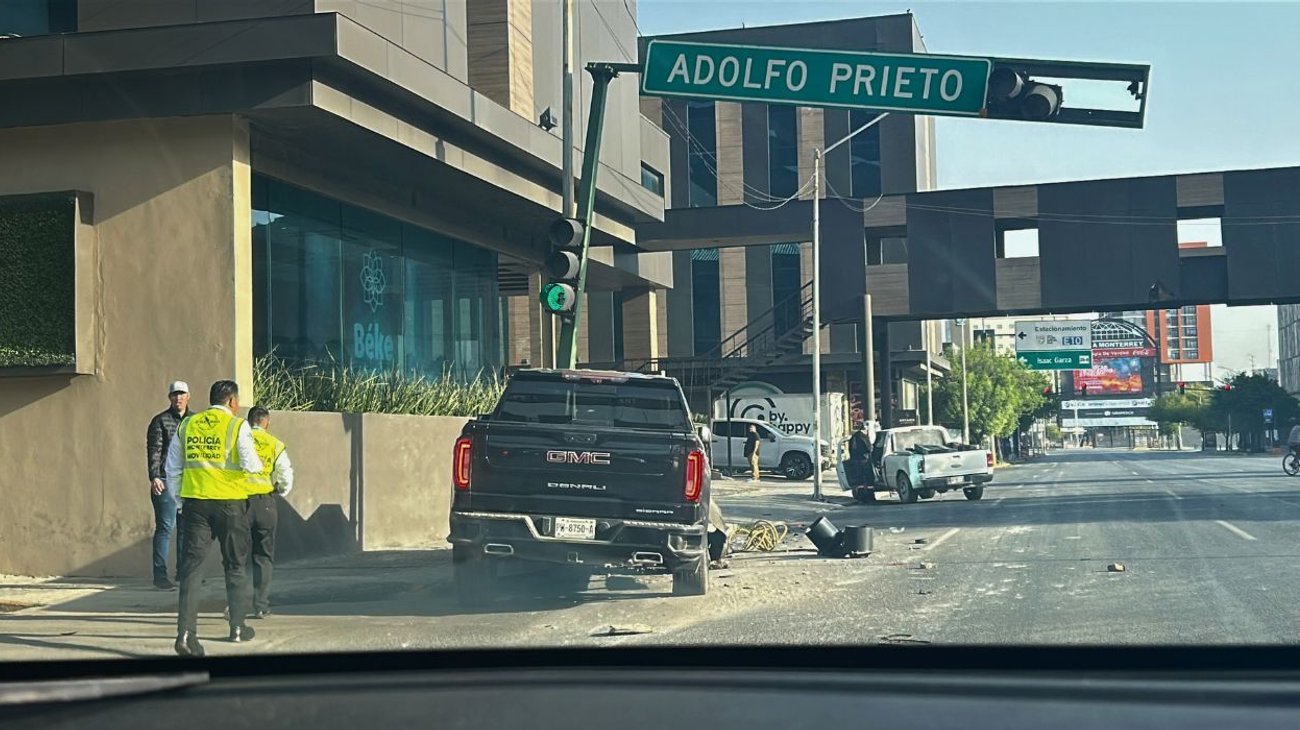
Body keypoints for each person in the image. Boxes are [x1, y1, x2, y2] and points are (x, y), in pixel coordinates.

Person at [165, 379, 263, 656]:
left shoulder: (188, 424)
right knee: (235, 565)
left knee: (191, 570)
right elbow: (251, 464)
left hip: (195, 504)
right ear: (232, 401)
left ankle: (185, 635)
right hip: (230, 504)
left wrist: (180, 501)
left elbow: (172, 467)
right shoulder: (236, 424)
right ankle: (237, 628)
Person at [244, 406, 294, 619]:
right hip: (265, 503)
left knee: (237, 555)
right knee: (263, 556)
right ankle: (261, 605)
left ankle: (236, 603)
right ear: (267, 423)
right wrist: (279, 490)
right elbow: (285, 476)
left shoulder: (239, 440)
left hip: (240, 502)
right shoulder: (275, 444)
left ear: (248, 422)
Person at [146, 381, 193, 590]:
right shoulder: (160, 421)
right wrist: (155, 476)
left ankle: (185, 573)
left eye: (181, 394)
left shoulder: (195, 421)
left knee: (186, 529)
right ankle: (160, 576)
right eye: (174, 394)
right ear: (169, 397)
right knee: (166, 528)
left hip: (188, 481)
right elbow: (154, 450)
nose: (178, 398)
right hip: (165, 480)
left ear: (188, 396)